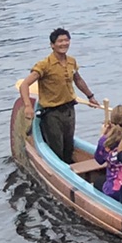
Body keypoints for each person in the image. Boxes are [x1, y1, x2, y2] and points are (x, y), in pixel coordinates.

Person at [15, 28, 100, 163]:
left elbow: (77, 79)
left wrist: (90, 96)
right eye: (60, 41)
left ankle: (69, 166)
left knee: (69, 145)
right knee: (56, 147)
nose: (64, 44)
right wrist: (27, 106)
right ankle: (59, 168)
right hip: (52, 113)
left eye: (66, 40)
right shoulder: (44, 65)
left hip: (69, 110)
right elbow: (24, 85)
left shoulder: (71, 61)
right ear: (52, 45)